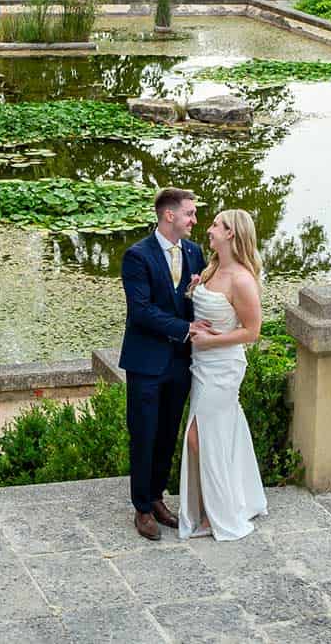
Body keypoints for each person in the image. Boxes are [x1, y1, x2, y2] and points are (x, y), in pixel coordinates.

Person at [118, 186, 205, 541]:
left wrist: (201, 293)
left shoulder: (194, 252)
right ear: (169, 215)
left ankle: (156, 497)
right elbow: (141, 311)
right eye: (189, 213)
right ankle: (141, 508)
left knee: (168, 433)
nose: (194, 220)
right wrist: (185, 329)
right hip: (146, 362)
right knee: (144, 433)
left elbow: (197, 301)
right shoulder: (137, 256)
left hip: (180, 363)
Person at [180, 207, 269, 541]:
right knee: (218, 433)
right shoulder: (212, 267)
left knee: (199, 437)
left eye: (216, 225)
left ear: (231, 233)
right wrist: (195, 289)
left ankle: (213, 515)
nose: (209, 228)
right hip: (201, 365)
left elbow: (252, 332)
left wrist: (212, 341)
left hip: (223, 367)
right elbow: (205, 308)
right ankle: (232, 500)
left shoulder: (242, 279)